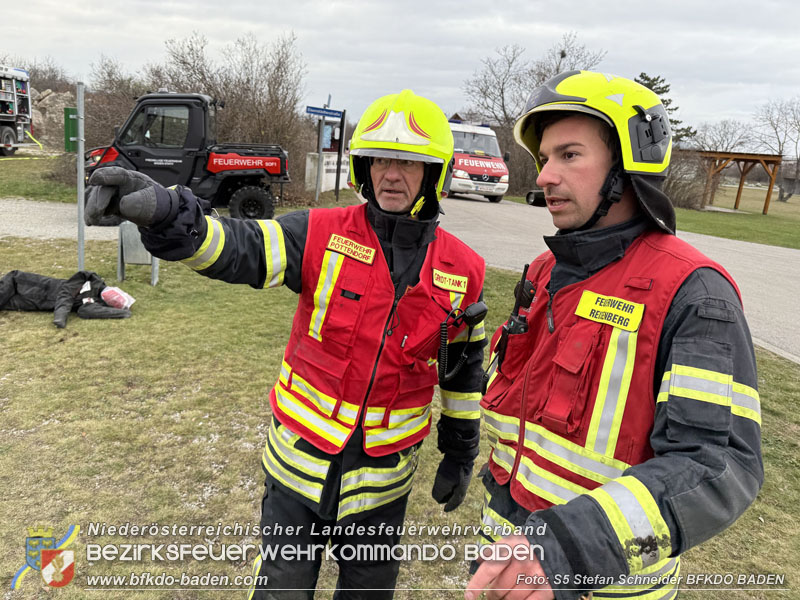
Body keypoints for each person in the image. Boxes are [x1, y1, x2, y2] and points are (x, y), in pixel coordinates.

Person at [84, 89, 487, 599]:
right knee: (282, 591)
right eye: (382, 158)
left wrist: (459, 452)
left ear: (435, 174)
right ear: (364, 166)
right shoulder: (318, 232)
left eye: (408, 163)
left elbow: (462, 374)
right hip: (298, 472)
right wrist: (170, 213)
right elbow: (239, 246)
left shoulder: (465, 270)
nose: (391, 174)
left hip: (383, 488)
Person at [465, 71, 763, 600]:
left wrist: (567, 549)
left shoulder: (695, 295)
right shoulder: (542, 272)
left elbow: (717, 465)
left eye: (569, 156)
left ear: (627, 170)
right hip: (507, 561)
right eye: (544, 159)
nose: (545, 178)